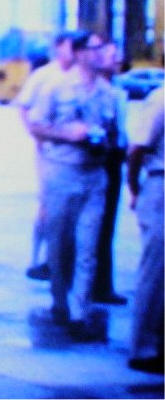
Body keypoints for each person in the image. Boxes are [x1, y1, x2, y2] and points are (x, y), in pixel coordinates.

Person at [27, 31, 118, 339]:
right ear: (79, 53)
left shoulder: (108, 93)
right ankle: (60, 300)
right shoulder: (55, 87)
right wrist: (69, 134)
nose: (101, 54)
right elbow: (36, 126)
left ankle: (81, 311)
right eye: (95, 48)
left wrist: (104, 141)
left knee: (88, 245)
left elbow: (117, 133)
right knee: (60, 243)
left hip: (93, 175)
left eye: (103, 49)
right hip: (61, 173)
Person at [16, 30, 75, 280]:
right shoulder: (44, 76)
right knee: (47, 205)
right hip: (49, 149)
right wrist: (35, 134)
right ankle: (38, 258)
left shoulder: (80, 76)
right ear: (58, 48)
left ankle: (60, 259)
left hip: (75, 151)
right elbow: (23, 106)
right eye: (71, 47)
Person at [126, 85, 164, 374]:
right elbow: (137, 148)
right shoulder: (161, 98)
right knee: (156, 271)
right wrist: (135, 187)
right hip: (161, 184)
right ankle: (144, 348)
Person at [92, 40, 128, 304]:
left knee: (107, 226)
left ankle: (103, 284)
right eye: (110, 55)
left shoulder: (117, 89)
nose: (116, 59)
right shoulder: (96, 90)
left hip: (115, 158)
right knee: (98, 225)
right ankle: (97, 285)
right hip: (101, 160)